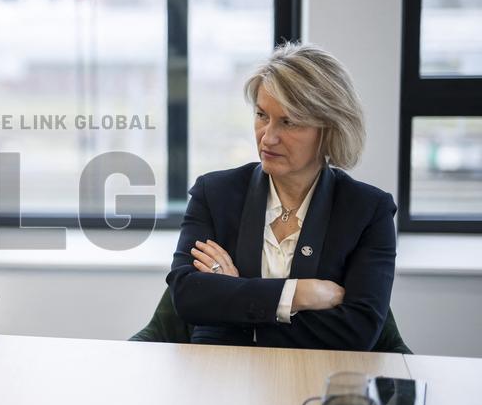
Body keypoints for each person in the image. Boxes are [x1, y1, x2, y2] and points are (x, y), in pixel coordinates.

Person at [166, 42, 396, 349]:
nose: (268, 137)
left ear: (329, 128)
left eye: (288, 122)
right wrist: (298, 294)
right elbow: (187, 297)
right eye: (262, 115)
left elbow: (357, 333)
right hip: (220, 374)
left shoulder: (368, 211)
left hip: (314, 380)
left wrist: (235, 295)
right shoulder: (215, 193)